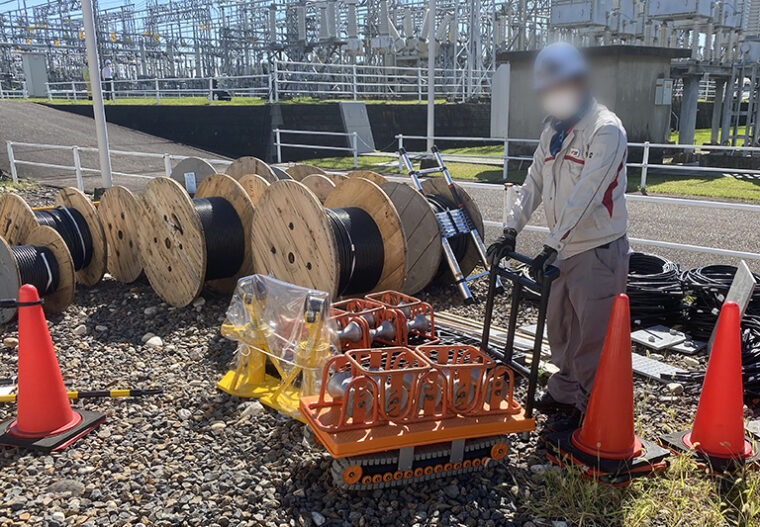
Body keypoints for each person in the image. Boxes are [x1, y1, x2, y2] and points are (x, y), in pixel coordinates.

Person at [487, 42, 630, 425]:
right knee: (561, 326)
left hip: (596, 248)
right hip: (563, 248)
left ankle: (592, 409)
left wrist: (551, 244)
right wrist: (510, 230)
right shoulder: (554, 131)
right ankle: (565, 393)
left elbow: (587, 194)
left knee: (592, 334)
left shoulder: (605, 131)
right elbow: (533, 181)